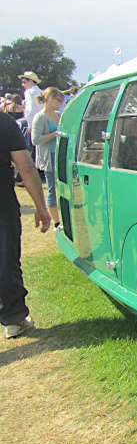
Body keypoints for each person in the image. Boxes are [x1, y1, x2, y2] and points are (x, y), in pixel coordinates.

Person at [0, 111, 52, 338]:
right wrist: (41, 208)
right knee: (5, 259)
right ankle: (14, 319)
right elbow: (26, 167)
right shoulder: (4, 122)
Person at [31, 87, 64, 228]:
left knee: (62, 187)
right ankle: (57, 223)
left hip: (60, 156)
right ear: (50, 99)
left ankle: (63, 218)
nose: (61, 103)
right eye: (59, 100)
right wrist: (55, 134)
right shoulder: (40, 117)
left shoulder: (59, 115)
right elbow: (35, 140)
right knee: (52, 188)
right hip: (49, 158)